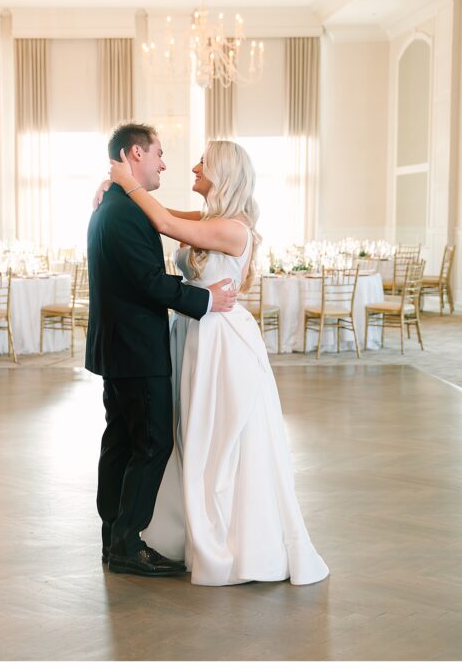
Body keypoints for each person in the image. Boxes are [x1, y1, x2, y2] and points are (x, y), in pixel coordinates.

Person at [107, 140, 330, 587]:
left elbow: (166, 221)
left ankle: (233, 537)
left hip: (221, 344)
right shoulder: (210, 220)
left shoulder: (234, 230)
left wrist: (123, 181)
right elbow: (163, 218)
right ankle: (187, 529)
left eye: (202, 163)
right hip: (193, 336)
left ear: (222, 173)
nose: (192, 166)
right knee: (191, 434)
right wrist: (116, 195)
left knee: (220, 439)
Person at [85, 123, 238, 578]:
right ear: (135, 154)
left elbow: (167, 223)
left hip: (120, 348)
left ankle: (113, 532)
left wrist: (117, 184)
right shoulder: (125, 211)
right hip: (137, 349)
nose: (165, 163)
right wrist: (207, 300)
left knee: (120, 440)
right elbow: (149, 284)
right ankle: (128, 543)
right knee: (150, 445)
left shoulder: (117, 205)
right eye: (159, 154)